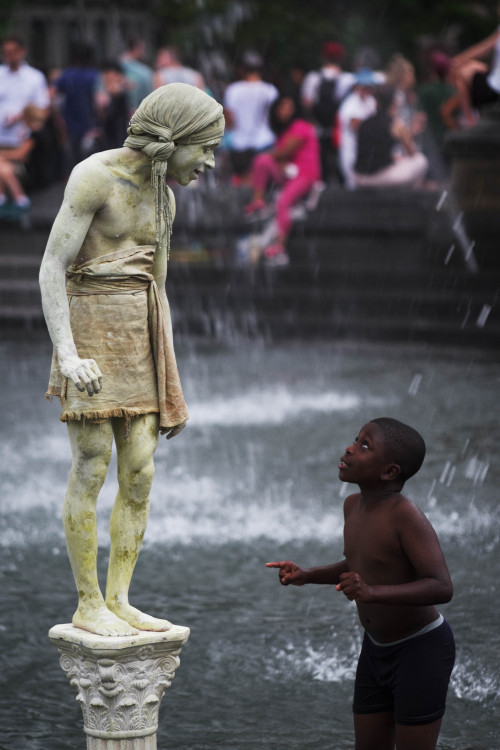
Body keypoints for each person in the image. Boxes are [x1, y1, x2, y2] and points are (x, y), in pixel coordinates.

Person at [39, 83, 224, 637]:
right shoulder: (94, 176)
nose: (210, 164)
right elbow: (52, 266)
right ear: (174, 140)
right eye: (206, 148)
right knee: (92, 464)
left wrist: (167, 370)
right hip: (90, 330)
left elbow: (158, 288)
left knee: (140, 473)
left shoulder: (166, 199)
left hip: (141, 334)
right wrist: (67, 355)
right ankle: (87, 602)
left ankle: (120, 597)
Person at [267, 417, 455, 750]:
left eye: (364, 445)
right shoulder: (352, 506)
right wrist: (308, 575)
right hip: (375, 649)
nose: (349, 448)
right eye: (356, 439)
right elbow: (361, 564)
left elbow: (441, 586)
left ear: (389, 472)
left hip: (420, 649)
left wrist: (372, 592)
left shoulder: (404, 514)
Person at [244, 94, 321, 265]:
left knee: (282, 202)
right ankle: (259, 202)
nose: (285, 111)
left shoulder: (301, 126)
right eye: (282, 107)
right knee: (261, 161)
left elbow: (286, 152)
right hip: (289, 173)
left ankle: (280, 247)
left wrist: (266, 154)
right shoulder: (283, 131)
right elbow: (282, 158)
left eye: (289, 107)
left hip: (306, 175)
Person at [353, 85, 428, 190]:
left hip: (359, 176)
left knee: (397, 159)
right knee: (421, 160)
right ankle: (411, 196)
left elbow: (372, 151)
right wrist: (411, 132)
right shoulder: (396, 124)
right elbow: (412, 152)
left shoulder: (365, 122)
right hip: (378, 178)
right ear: (394, 103)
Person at [301, 41, 355, 182]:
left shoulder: (313, 77)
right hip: (339, 130)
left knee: (320, 165)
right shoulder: (347, 79)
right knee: (341, 165)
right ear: (342, 58)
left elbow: (306, 103)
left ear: (323, 57)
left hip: (318, 128)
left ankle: (321, 188)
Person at [223, 51, 278, 183]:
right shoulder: (270, 90)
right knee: (263, 181)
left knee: (244, 181)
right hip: (264, 140)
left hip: (240, 142)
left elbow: (229, 120)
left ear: (242, 69)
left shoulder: (233, 90)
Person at [451, 3, 500, 126]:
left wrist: (458, 60)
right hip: (494, 81)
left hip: (494, 89)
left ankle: (471, 121)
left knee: (460, 73)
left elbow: (483, 48)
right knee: (474, 65)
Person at [0, 35, 50, 151]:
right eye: (6, 52)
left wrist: (22, 117)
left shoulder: (35, 77)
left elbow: (42, 108)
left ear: (22, 51)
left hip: (23, 138)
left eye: (13, 51)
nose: (10, 55)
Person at [337, 69, 378, 189]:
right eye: (365, 87)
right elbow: (357, 127)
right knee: (352, 187)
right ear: (358, 86)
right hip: (351, 152)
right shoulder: (350, 104)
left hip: (367, 152)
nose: (368, 90)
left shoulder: (371, 101)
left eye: (370, 87)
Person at [120, 36, 154, 115]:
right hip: (140, 112)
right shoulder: (145, 72)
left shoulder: (116, 66)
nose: (144, 52)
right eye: (143, 49)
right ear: (137, 49)